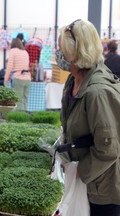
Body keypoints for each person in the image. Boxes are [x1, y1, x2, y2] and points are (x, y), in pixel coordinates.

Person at [57, 19, 120, 216]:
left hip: (102, 189)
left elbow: (109, 148)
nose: (58, 56)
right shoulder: (73, 80)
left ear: (77, 54)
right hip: (85, 182)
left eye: (62, 51)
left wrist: (79, 171)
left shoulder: (97, 92)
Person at [4, 38, 30, 111]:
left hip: (18, 78)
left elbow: (9, 66)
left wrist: (5, 79)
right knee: (25, 100)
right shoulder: (25, 52)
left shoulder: (13, 51)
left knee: (17, 100)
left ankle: (17, 120)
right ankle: (24, 118)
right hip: (27, 78)